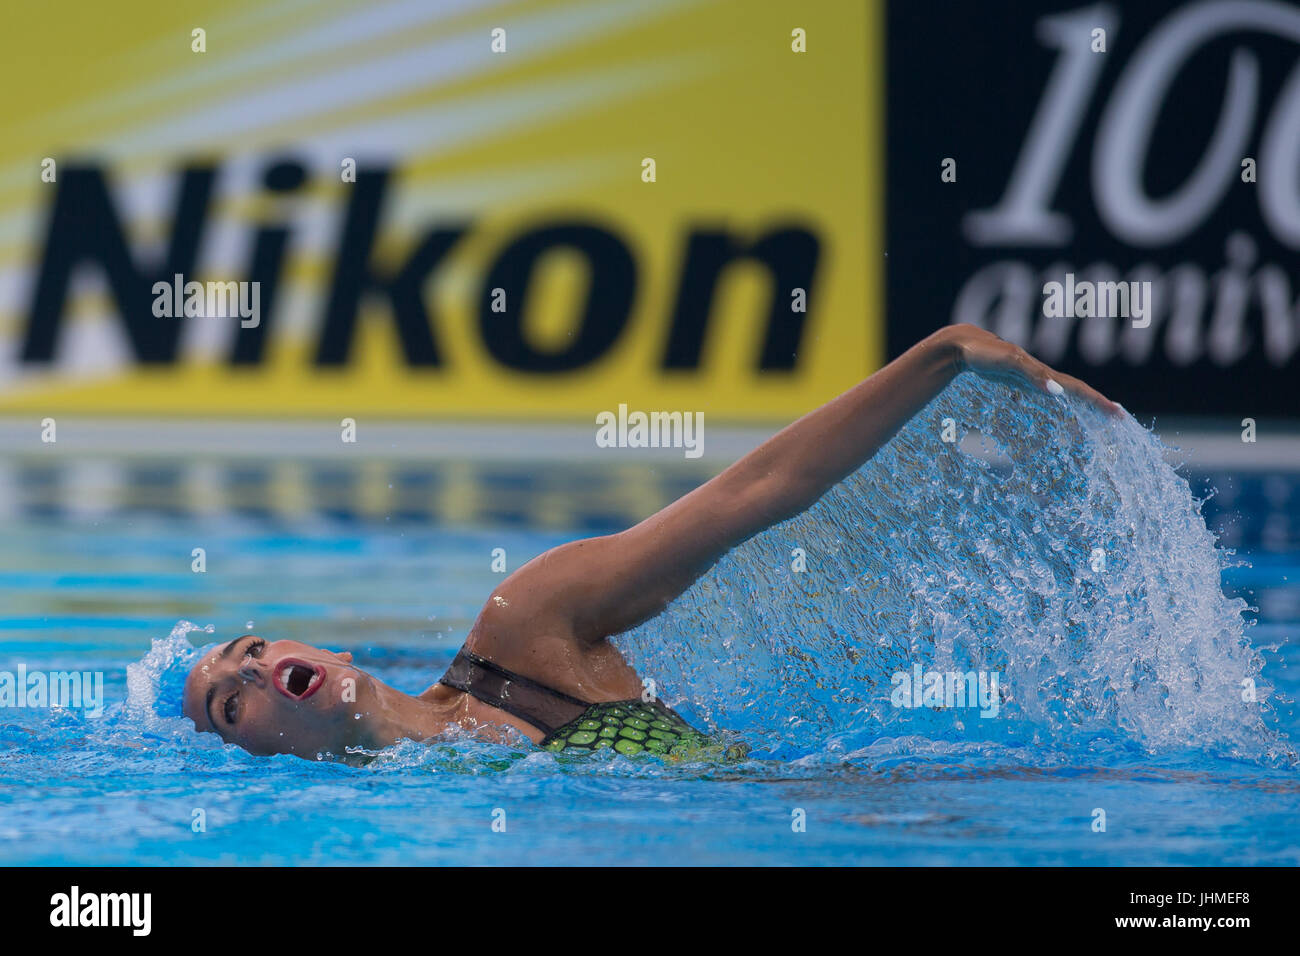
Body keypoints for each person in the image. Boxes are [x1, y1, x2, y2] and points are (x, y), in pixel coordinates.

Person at [182, 324, 1118, 763]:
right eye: (231, 707)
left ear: (328, 653)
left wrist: (940, 358)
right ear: (257, 760)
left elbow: (754, 495)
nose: (255, 675)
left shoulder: (525, 633)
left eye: (252, 650)